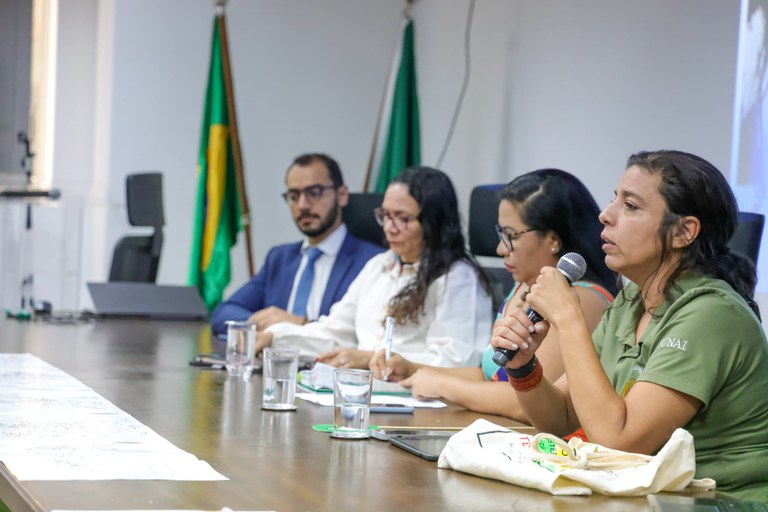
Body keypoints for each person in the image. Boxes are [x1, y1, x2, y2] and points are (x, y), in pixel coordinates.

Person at [491, 150, 768, 501]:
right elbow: (560, 418)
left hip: (723, 502)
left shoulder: (711, 314)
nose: (605, 216)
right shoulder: (631, 302)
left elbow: (620, 438)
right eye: (614, 200)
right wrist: (523, 365)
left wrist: (568, 318)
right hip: (654, 496)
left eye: (631, 207)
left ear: (684, 232)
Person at [369, 169, 618, 421]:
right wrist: (413, 368)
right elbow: (488, 374)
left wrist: (444, 385)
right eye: (501, 234)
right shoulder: (524, 284)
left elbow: (525, 401)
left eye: (510, 236)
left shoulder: (580, 300)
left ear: (553, 239)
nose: (500, 249)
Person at [256, 166, 493, 368]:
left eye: (403, 218)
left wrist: (371, 360)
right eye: (385, 215)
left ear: (433, 222)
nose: (389, 227)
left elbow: (456, 361)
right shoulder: (379, 266)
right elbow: (336, 331)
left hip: (422, 408)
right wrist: (274, 337)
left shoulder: (457, 278)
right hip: (367, 396)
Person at [210, 153, 383, 335]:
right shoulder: (279, 258)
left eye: (313, 193)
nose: (302, 205)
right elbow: (224, 313)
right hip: (272, 362)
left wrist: (300, 325)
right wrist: (262, 324)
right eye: (294, 195)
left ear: (341, 195)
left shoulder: (372, 262)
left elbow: (367, 334)